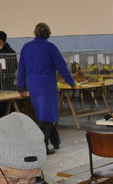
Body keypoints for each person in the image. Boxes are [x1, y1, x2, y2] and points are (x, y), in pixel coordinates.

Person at [17, 23, 75, 155]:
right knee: (46, 116)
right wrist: (71, 82)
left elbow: (21, 69)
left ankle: (55, 141)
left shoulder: (26, 48)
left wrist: (21, 87)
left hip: (33, 85)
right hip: (46, 85)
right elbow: (62, 66)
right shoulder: (50, 47)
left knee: (44, 113)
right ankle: (43, 146)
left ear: (35, 33)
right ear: (48, 33)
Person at [0, 31, 16, 119]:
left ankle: (5, 117)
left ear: (0, 39)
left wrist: (4, 70)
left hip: (6, 79)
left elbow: (13, 67)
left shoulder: (9, 52)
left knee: (5, 100)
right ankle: (1, 117)